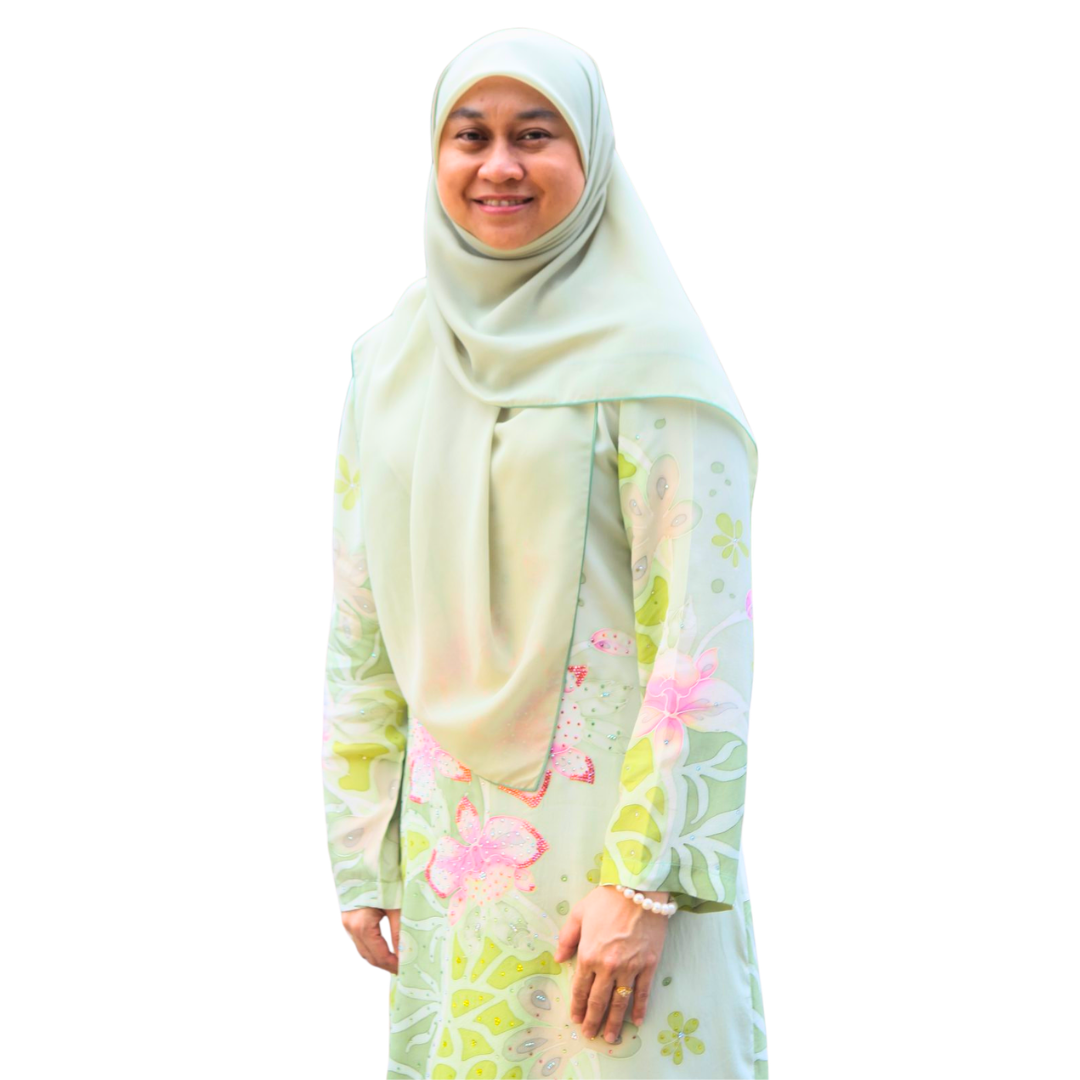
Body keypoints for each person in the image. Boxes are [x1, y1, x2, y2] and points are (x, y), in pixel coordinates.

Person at [321, 26, 768, 1079]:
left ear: (591, 155)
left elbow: (699, 636)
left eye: (535, 134)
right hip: (454, 864)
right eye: (470, 135)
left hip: (615, 881)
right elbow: (361, 617)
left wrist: (645, 884)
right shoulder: (390, 361)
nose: (499, 165)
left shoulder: (652, 359)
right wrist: (363, 846)